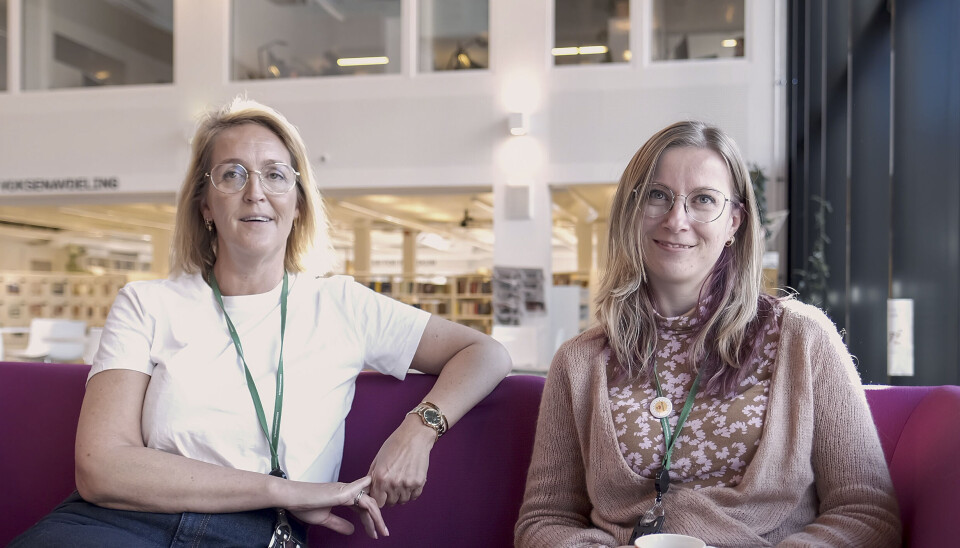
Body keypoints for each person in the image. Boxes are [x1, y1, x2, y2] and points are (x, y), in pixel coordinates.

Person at [12, 97, 512, 547]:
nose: (256, 192)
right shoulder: (146, 303)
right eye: (232, 174)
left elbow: (485, 354)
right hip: (119, 525)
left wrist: (419, 428)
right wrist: (283, 489)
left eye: (275, 174)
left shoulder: (341, 304)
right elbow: (100, 467)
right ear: (206, 206)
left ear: (297, 203)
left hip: (254, 535)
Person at [515, 121, 900, 547]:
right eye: (657, 196)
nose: (677, 219)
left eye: (703, 200)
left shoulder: (803, 339)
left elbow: (865, 513)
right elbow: (545, 519)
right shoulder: (580, 361)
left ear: (734, 221)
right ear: (630, 211)